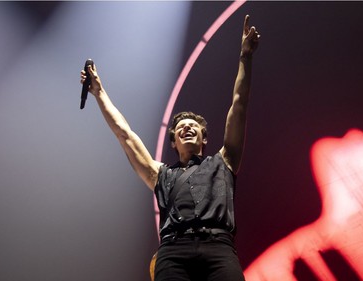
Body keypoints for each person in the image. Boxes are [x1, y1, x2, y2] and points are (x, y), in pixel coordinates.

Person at [81, 14, 260, 281]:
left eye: (193, 126)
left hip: (218, 247)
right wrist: (99, 93)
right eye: (181, 127)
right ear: (174, 141)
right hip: (174, 250)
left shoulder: (224, 162)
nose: (187, 128)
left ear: (204, 138)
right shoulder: (160, 174)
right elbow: (124, 134)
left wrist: (245, 56)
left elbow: (239, 104)